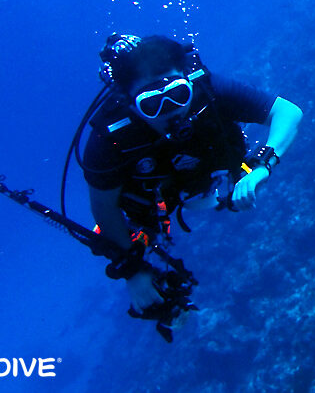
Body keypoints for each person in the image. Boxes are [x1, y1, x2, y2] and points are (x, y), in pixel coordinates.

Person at [79, 33, 303, 313]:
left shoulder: (207, 89)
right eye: (152, 104)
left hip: (211, 171)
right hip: (155, 194)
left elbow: (287, 112)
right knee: (132, 227)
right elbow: (104, 208)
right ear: (130, 103)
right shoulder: (110, 139)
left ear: (188, 80)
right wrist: (133, 271)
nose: (169, 112)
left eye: (177, 95)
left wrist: (261, 167)